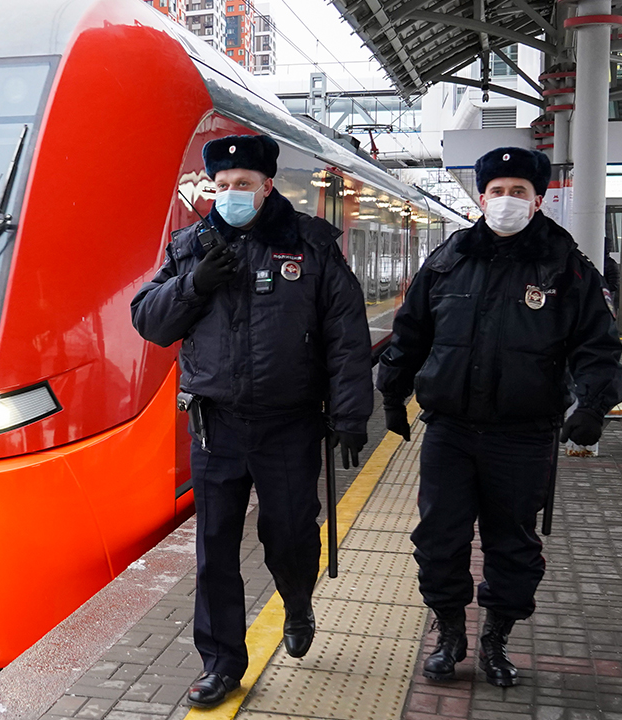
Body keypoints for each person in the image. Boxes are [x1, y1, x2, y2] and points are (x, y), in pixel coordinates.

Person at [131, 135, 374, 708]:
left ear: (268, 186)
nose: (233, 194)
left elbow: (346, 333)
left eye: (244, 184)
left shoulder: (310, 247)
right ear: (211, 189)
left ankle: (296, 600)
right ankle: (221, 662)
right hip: (217, 424)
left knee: (288, 534)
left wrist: (350, 413)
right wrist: (194, 285)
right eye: (223, 185)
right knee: (214, 548)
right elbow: (149, 321)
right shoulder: (189, 248)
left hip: (288, 423)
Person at [375, 147, 622, 688]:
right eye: (497, 192)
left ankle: (495, 640)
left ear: (537, 201)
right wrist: (392, 393)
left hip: (524, 434)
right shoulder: (448, 259)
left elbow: (597, 347)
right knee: (439, 539)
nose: (507, 201)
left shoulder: (567, 267)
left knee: (512, 544)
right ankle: (449, 634)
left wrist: (592, 404)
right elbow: (411, 331)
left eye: (519, 192)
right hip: (450, 429)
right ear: (481, 198)